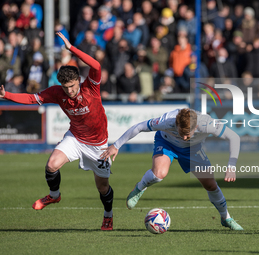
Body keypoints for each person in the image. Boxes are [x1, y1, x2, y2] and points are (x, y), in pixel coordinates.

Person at [0, 32, 114, 231]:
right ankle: (54, 196)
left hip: (99, 145)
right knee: (51, 165)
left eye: (72, 86)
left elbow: (96, 66)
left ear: (78, 80)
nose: (69, 91)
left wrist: (72, 49)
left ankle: (108, 216)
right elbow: (31, 99)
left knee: (102, 187)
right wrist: (6, 95)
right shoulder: (56, 92)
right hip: (76, 138)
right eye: (65, 87)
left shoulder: (91, 87)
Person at [100, 108, 244, 231]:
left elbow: (234, 137)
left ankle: (226, 218)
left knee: (210, 184)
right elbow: (139, 127)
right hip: (167, 143)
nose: (185, 136)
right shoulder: (167, 120)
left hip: (192, 150)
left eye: (189, 133)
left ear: (197, 126)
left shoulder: (207, 123)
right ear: (176, 124)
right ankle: (140, 188)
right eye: (182, 132)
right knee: (159, 174)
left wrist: (231, 165)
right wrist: (116, 145)